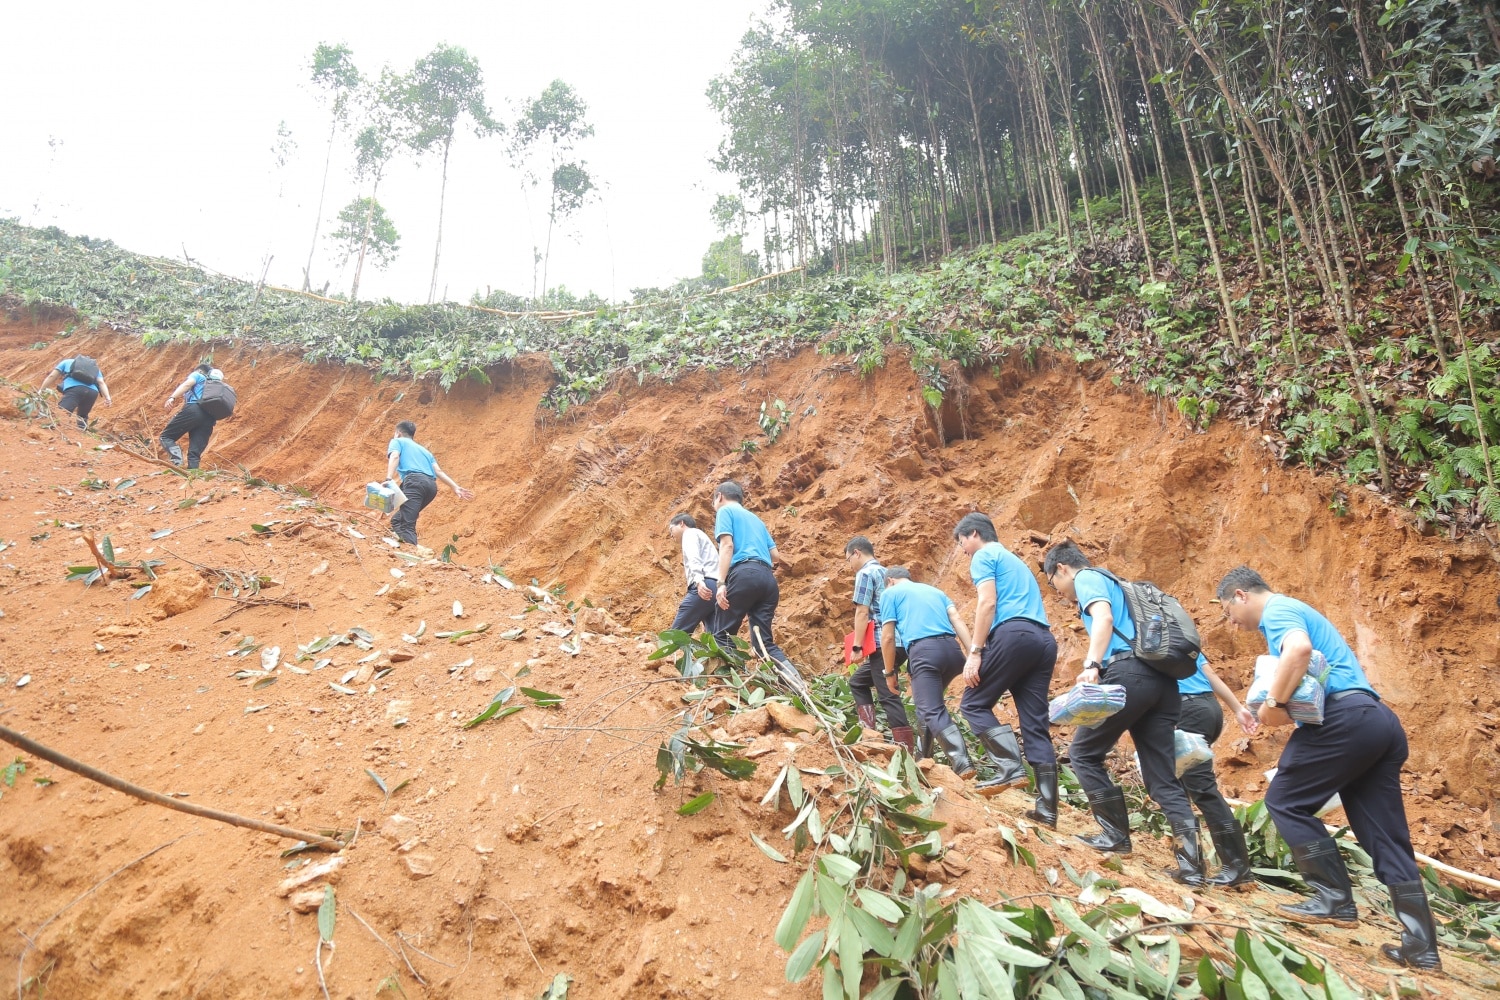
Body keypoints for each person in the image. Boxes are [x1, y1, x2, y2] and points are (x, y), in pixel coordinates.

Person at [1218, 566, 1439, 970]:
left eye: (1227, 611)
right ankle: (1421, 947)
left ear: (1239, 595)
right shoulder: (1294, 612)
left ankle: (1333, 898)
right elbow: (1299, 697)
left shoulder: (1278, 611)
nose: (1231, 622)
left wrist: (1271, 703)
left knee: (1284, 800)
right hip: (1377, 721)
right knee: (1385, 835)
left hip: (1346, 719)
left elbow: (1298, 652)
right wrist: (1271, 712)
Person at [1042, 540, 1203, 885]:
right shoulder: (1123, 585)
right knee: (1162, 778)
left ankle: (1114, 835)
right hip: (1164, 685)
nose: (1057, 592)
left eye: (1052, 582)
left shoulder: (1087, 578)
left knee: (1083, 753)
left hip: (1129, 674)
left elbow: (1103, 618)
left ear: (1062, 569)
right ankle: (1193, 867)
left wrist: (1092, 664)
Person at [953, 513, 1059, 815]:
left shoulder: (984, 555)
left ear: (974, 533)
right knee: (1035, 722)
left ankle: (1011, 767)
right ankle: (1048, 810)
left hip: (1014, 635)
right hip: (1044, 641)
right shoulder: (1015, 561)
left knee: (973, 703)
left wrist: (975, 652)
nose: (963, 551)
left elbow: (987, 603)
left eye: (962, 542)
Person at [879, 567, 977, 777]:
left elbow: (887, 638)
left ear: (890, 580)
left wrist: (889, 672)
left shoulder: (890, 593)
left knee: (931, 709)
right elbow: (957, 619)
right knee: (927, 705)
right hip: (952, 651)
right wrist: (972, 653)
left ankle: (961, 760)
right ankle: (924, 757)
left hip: (925, 652)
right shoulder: (936, 592)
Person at [1176, 654, 1258, 887]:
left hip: (1186, 710)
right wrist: (1237, 708)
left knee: (1200, 788)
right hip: (1208, 708)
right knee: (1181, 785)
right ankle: (1192, 865)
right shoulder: (1181, 637)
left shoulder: (1143, 635)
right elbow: (1210, 674)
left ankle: (1236, 868)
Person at [710, 481, 794, 674]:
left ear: (720, 496)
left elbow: (727, 546)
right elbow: (775, 557)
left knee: (722, 633)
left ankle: (728, 682)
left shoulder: (725, 511)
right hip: (768, 580)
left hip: (744, 573)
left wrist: (721, 582)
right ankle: (796, 683)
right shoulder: (757, 520)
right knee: (763, 643)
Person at [844, 537, 913, 752]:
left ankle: (905, 749)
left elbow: (862, 611)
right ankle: (869, 733)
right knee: (857, 682)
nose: (850, 565)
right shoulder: (888, 574)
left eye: (848, 560)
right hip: (901, 642)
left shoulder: (865, 573)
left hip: (883, 642)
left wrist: (857, 646)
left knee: (887, 695)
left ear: (857, 553)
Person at [386, 420, 473, 546]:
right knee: (397, 520)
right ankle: (405, 547)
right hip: (431, 487)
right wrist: (455, 487)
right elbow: (438, 471)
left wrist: (388, 478)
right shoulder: (425, 451)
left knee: (407, 524)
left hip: (414, 483)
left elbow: (394, 456)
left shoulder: (397, 441)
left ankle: (412, 555)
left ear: (398, 433)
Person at [667, 513, 719, 635]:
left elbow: (694, 558)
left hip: (705, 583)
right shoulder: (702, 536)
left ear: (681, 523)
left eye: (671, 529)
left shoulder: (689, 534)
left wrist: (699, 581)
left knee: (677, 632)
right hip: (717, 586)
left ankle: (668, 651)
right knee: (714, 635)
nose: (671, 534)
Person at [160, 362, 219, 469]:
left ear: (200, 371)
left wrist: (172, 397)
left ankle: (178, 463)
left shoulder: (198, 375)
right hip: (210, 418)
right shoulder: (215, 386)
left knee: (166, 436)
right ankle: (193, 475)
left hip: (194, 410)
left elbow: (187, 384)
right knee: (194, 453)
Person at [40, 355, 112, 429]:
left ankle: (57, 430)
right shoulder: (95, 369)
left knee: (62, 413)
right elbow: (101, 382)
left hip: (75, 389)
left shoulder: (66, 362)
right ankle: (83, 433)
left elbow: (51, 376)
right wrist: (108, 398)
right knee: (82, 417)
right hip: (92, 393)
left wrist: (41, 390)